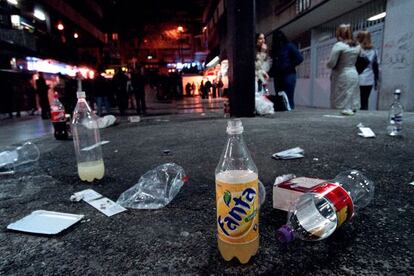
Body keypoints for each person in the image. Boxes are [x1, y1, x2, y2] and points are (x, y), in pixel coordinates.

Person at [327, 24, 361, 115]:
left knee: (341, 102)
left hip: (342, 75)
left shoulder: (339, 45)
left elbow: (331, 63)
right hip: (354, 73)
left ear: (339, 34)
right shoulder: (357, 46)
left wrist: (327, 63)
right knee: (351, 100)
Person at [270, 30, 303, 110]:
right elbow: (275, 64)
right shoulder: (276, 49)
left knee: (288, 98)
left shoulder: (289, 46)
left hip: (288, 75)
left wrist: (288, 66)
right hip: (279, 76)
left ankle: (289, 113)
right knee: (280, 99)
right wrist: (270, 73)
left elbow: (299, 58)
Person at [356, 31, 379, 110]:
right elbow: (376, 66)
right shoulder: (374, 51)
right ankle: (363, 118)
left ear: (360, 39)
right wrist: (376, 80)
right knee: (365, 101)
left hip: (358, 78)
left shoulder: (358, 50)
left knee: (356, 101)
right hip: (369, 79)